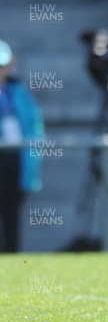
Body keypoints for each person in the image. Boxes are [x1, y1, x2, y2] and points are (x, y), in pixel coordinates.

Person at [0, 39, 44, 252]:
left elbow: (35, 126)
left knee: (11, 211)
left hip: (16, 158)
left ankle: (11, 255)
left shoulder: (20, 93)